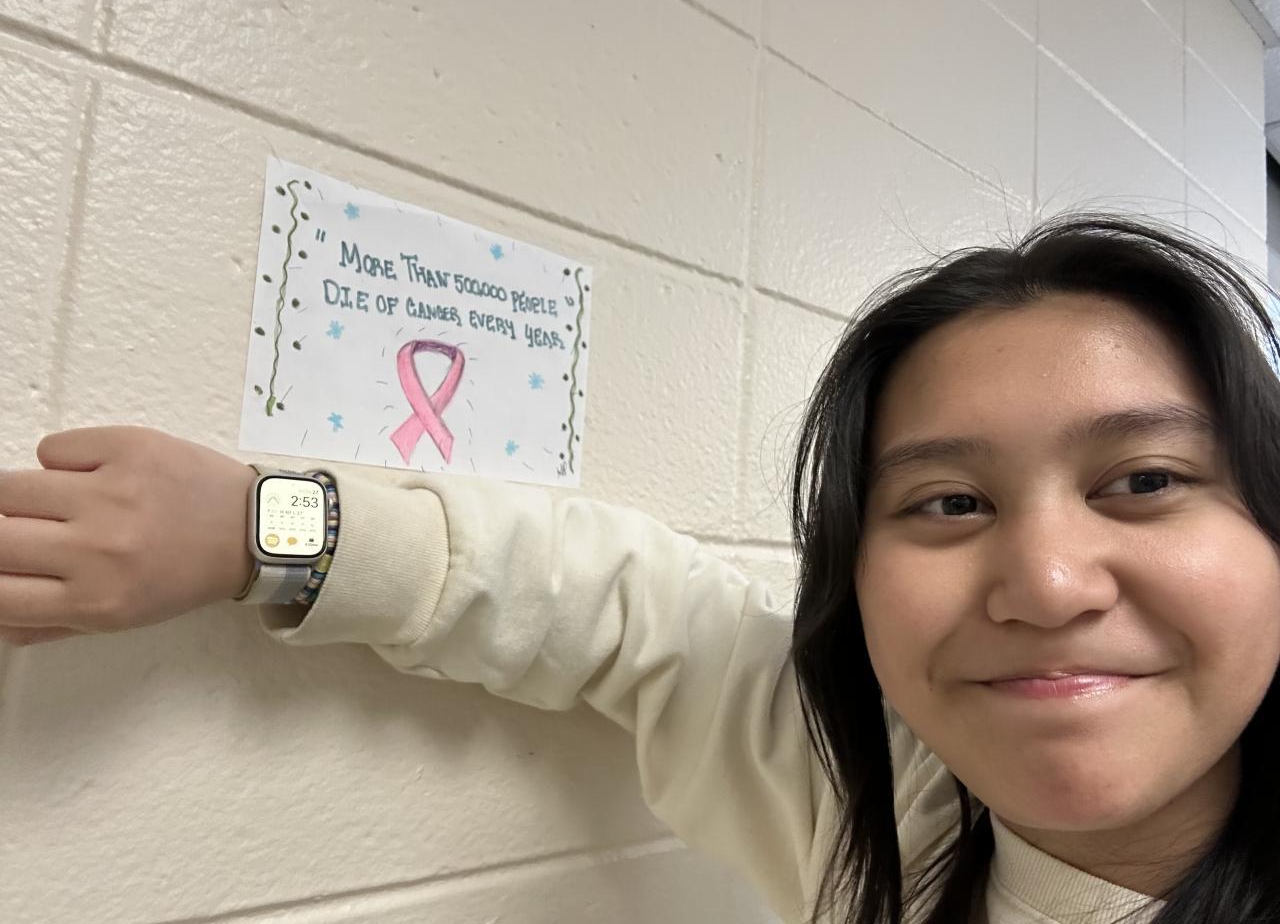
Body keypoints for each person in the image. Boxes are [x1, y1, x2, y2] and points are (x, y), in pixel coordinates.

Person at [2, 214, 1278, 924]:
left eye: (1143, 482)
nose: (1045, 584)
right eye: (948, 502)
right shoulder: (884, 815)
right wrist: (252, 526)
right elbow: (630, 611)